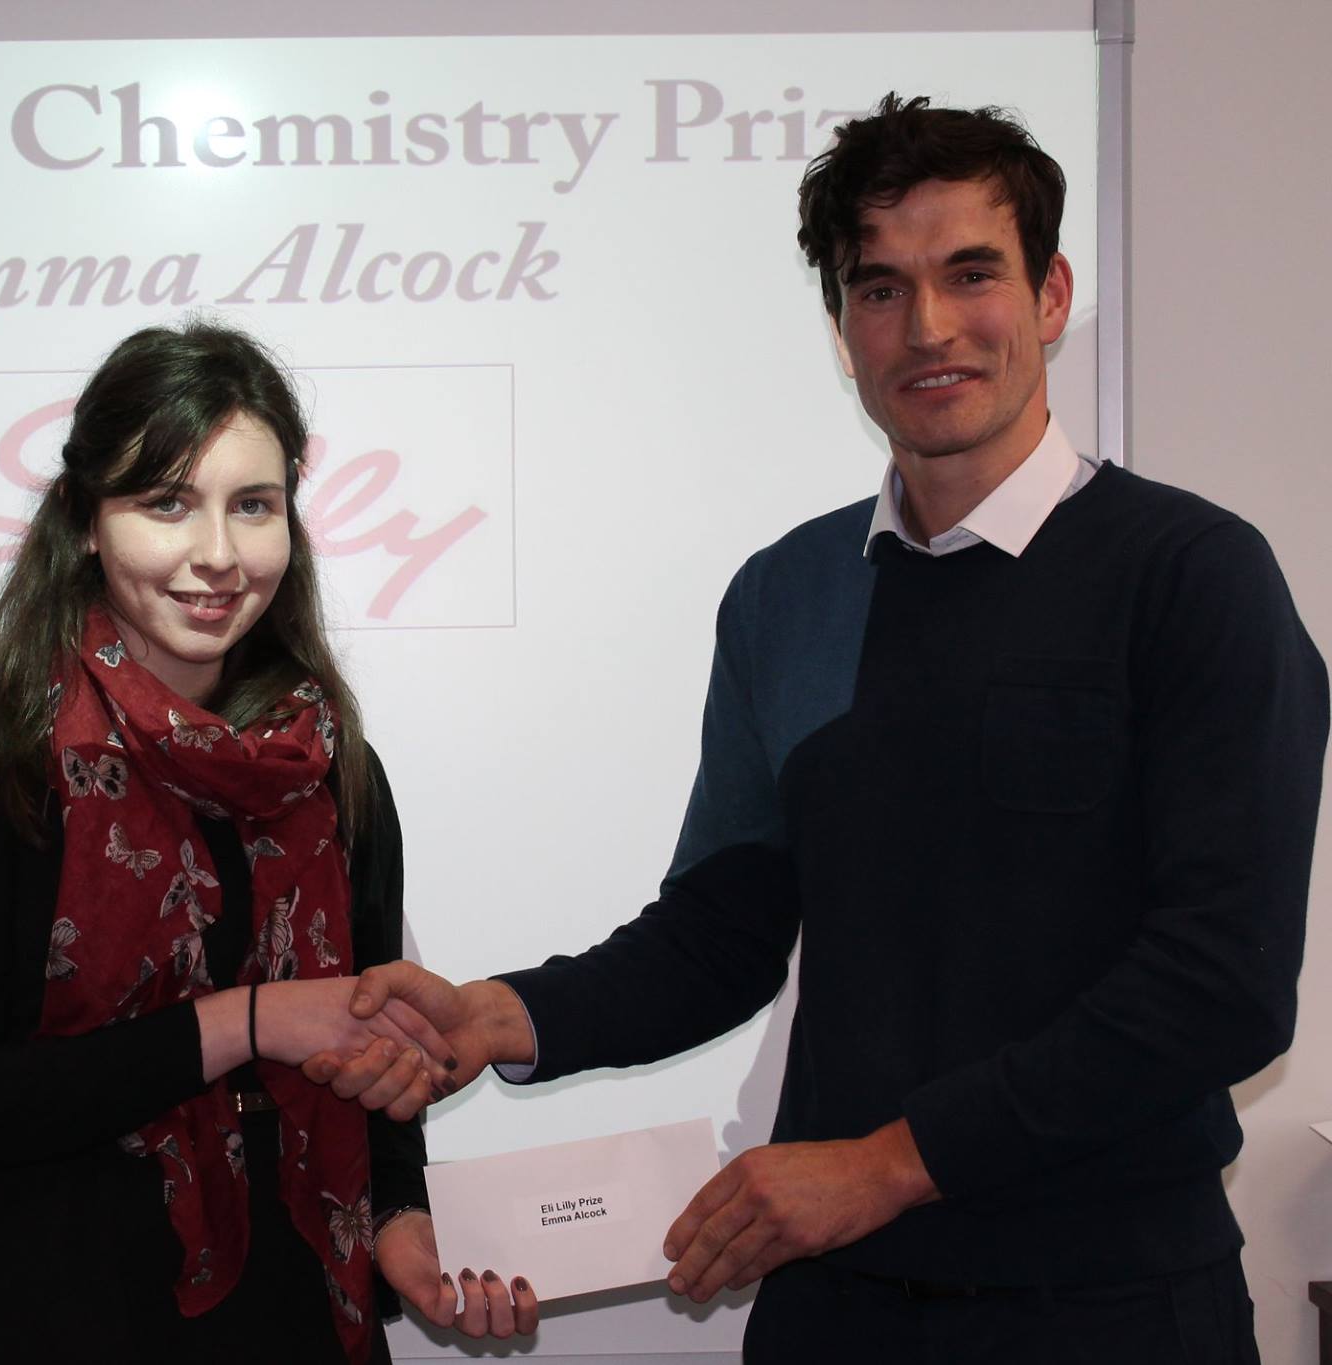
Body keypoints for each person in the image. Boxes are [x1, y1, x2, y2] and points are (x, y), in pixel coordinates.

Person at [311, 95, 1327, 1363]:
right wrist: (497, 1016)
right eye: (878, 289)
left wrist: (886, 1166)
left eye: (971, 274)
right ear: (842, 329)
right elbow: (721, 933)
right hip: (833, 1309)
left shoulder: (1191, 578)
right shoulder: (785, 593)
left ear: (1052, 295)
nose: (928, 327)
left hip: (1109, 1304)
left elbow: (1221, 990)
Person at [0, 320, 535, 1364]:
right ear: (87, 521)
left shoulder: (328, 765)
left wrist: (400, 1219)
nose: (217, 554)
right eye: (166, 502)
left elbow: (370, 1045)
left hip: (288, 1314)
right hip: (33, 1312)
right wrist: (245, 1021)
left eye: (252, 505)